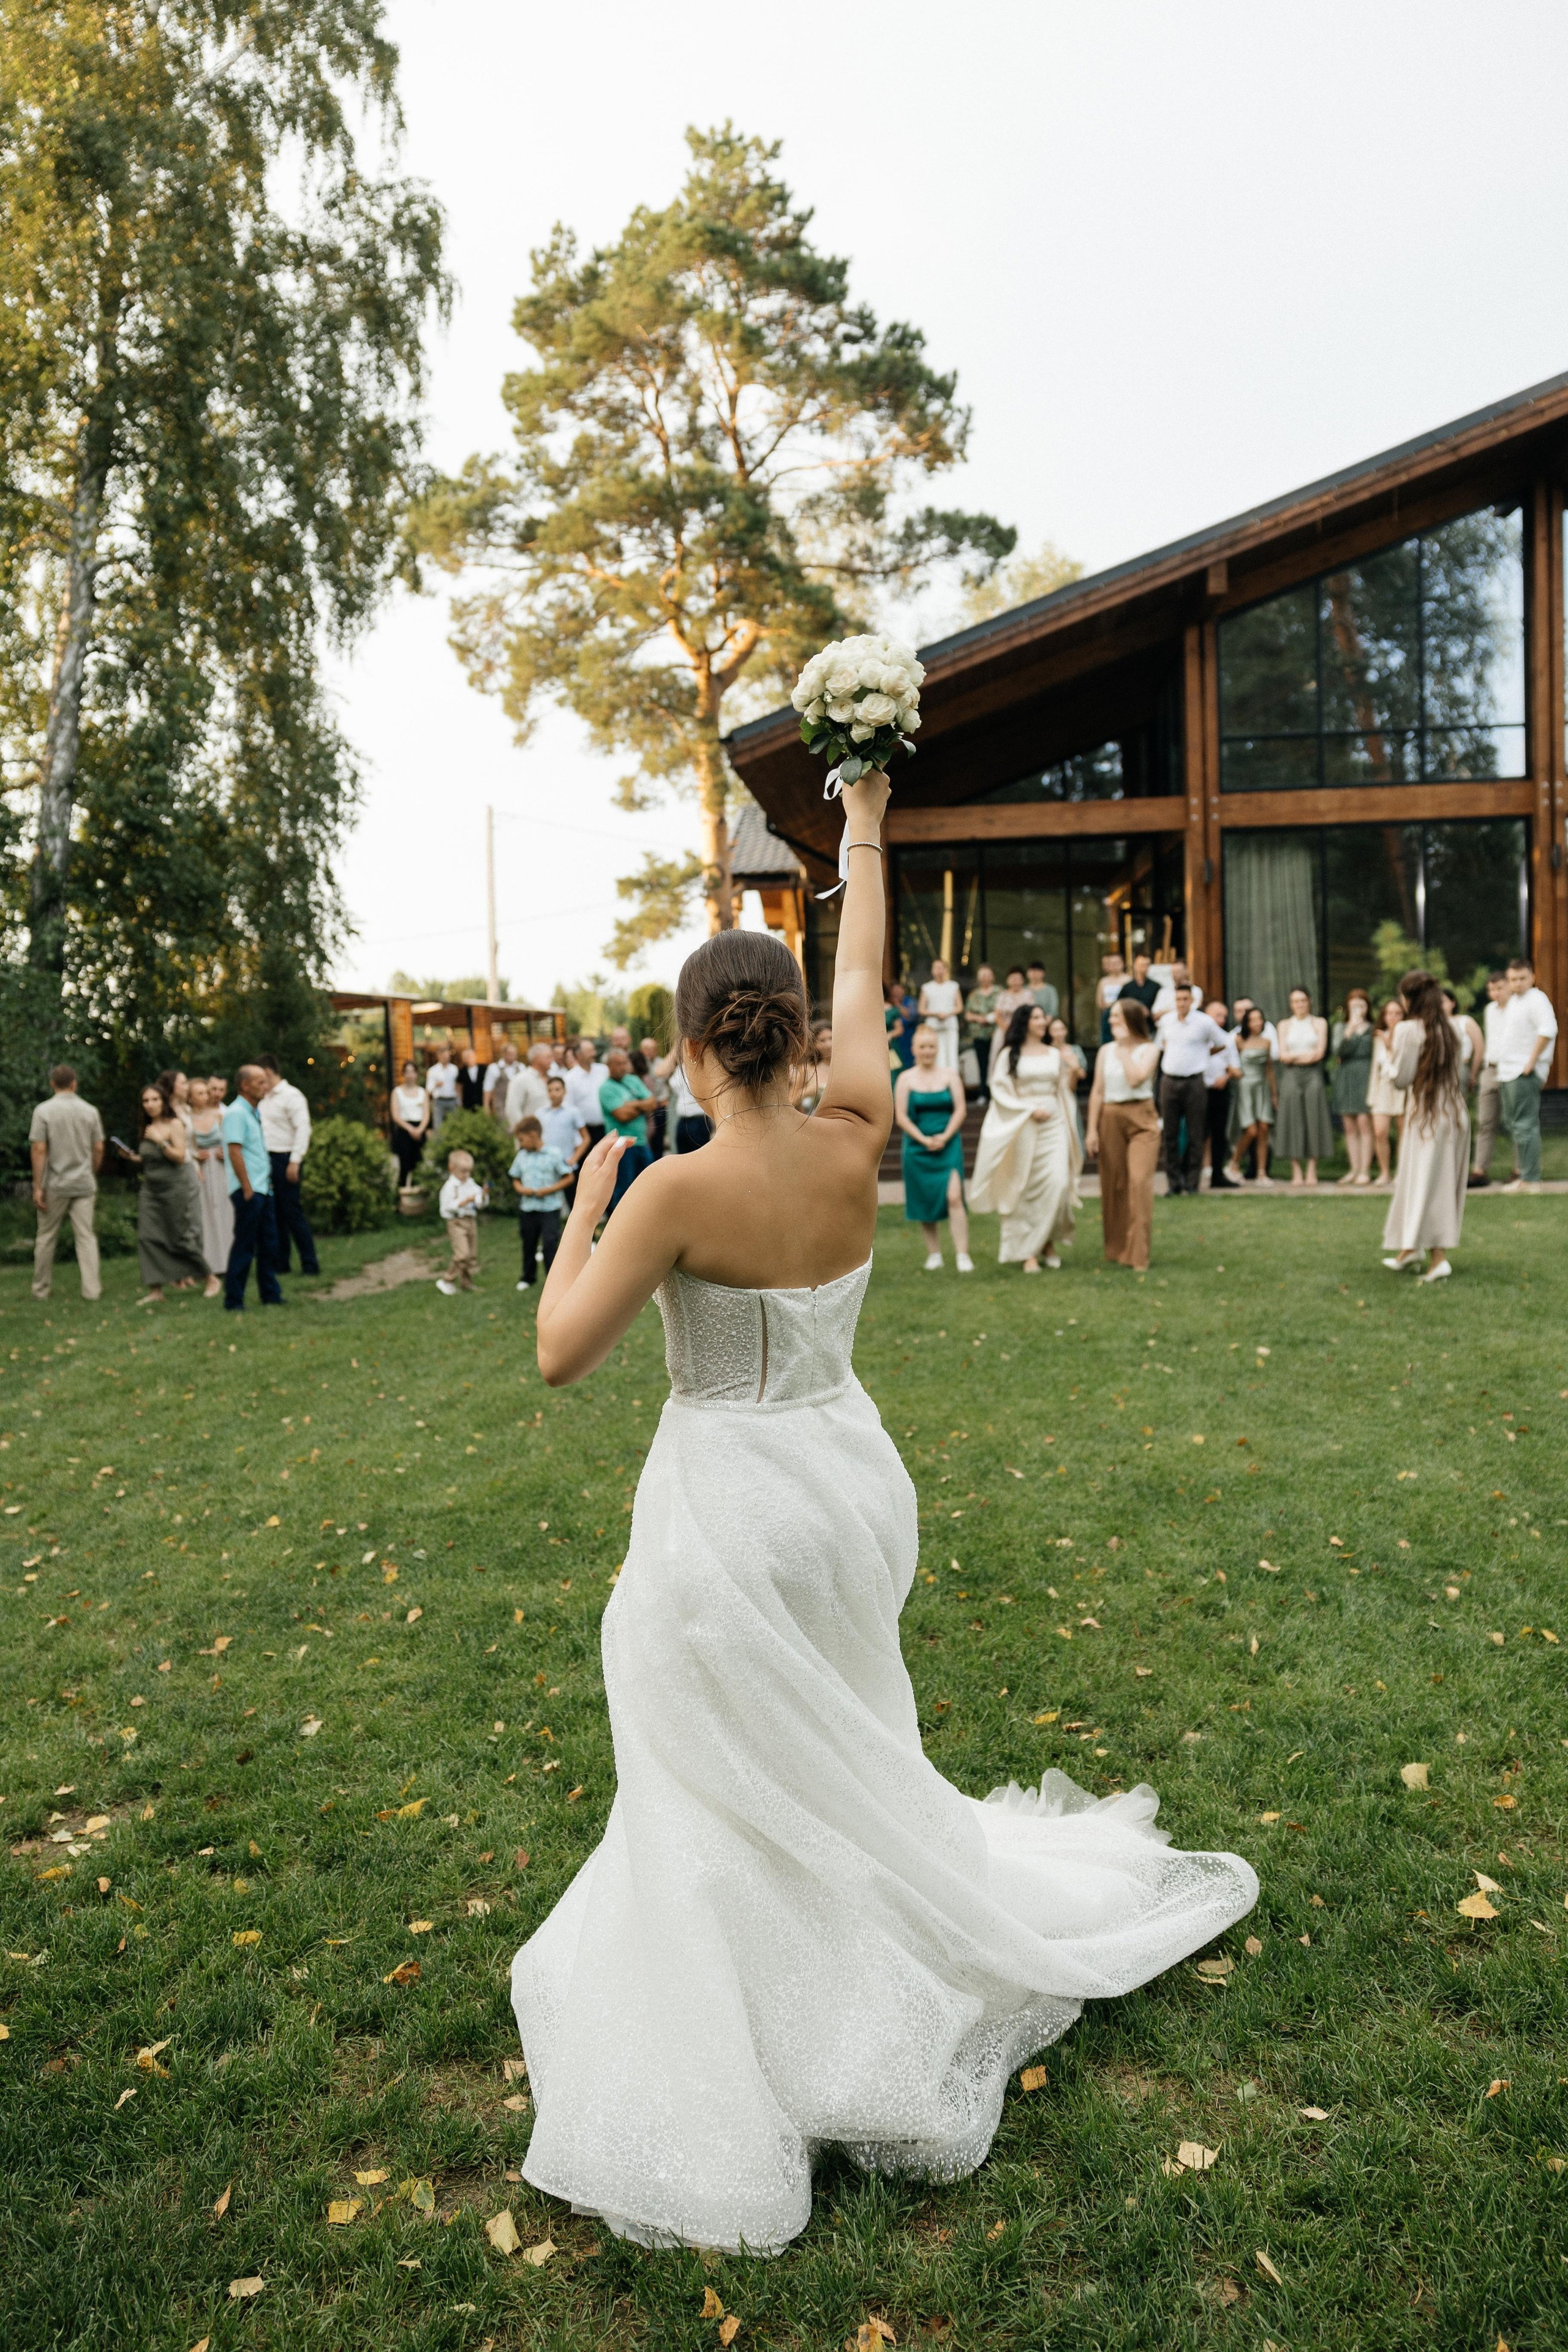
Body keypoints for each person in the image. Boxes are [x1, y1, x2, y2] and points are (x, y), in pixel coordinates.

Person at [511, 771, 1256, 2256]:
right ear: (796, 1038)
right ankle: (853, 1957)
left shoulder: (667, 1191)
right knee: (844, 1734)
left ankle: (783, 2009)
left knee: (718, 1770)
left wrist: (586, 1206)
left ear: (688, 1047)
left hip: (727, 1507)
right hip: (847, 1485)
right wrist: (859, 820)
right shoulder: (856, 1130)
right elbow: (861, 974)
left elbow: (558, 1353)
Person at [968, 1001, 1080, 1271]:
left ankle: (1047, 1240)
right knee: (1023, 1187)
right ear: (1025, 1023)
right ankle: (1029, 1251)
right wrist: (1028, 1110)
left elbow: (1064, 1089)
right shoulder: (1009, 1055)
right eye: (1037, 1018)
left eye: (1044, 1018)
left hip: (1054, 1125)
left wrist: (1074, 1071)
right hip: (1023, 1126)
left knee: (1058, 1183)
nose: (1043, 1022)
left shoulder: (1054, 1054)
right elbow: (1000, 1090)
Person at [1381, 968, 1469, 1282]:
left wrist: (1387, 1063)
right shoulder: (1453, 1029)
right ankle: (1410, 1248)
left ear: (1410, 999)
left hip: (1428, 1117)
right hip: (1454, 1114)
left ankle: (1438, 1258)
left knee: (1428, 1186)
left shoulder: (1407, 1030)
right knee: (1426, 1182)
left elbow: (1402, 1079)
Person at [1085, 999, 1161, 1271]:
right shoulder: (1105, 1051)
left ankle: (1138, 1255)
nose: (1111, 1021)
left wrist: (1124, 1048)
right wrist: (1091, 1130)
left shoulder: (1150, 1049)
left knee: (1139, 1182)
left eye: (1116, 1016)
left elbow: (1136, 1079)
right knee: (1114, 1183)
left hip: (1143, 1118)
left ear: (1130, 1019)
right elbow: (1097, 1091)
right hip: (1111, 1116)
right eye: (1111, 1016)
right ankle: (1116, 1249)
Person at [121, 1079, 209, 1302]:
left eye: (155, 1099)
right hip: (151, 1190)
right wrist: (133, 1158)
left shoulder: (174, 1124)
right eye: (146, 1101)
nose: (150, 1104)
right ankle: (156, 1290)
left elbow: (179, 1157)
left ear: (163, 1102)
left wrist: (161, 1142)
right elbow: (152, 1159)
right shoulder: (147, 1127)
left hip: (174, 1188)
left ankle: (209, 1277)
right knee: (147, 1237)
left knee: (179, 1237)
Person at [894, 1023, 972, 1272]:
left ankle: (962, 1255)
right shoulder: (905, 1078)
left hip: (948, 1144)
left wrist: (945, 1137)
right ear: (914, 1049)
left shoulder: (950, 1075)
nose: (927, 1051)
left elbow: (960, 1109)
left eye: (931, 1047)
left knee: (955, 1197)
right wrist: (924, 1140)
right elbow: (901, 1116)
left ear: (937, 1049)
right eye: (923, 1047)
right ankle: (934, 1254)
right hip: (917, 1147)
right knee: (924, 1199)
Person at [29, 1063, 104, 1304]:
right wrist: (91, 1172)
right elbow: (99, 1147)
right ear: (74, 1084)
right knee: (86, 1237)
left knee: (46, 1237)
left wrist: (38, 1186)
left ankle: (41, 1290)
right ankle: (92, 1291)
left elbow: (39, 1149)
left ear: (52, 1084)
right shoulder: (90, 1111)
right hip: (84, 1183)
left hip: (55, 1184)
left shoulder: (43, 1111)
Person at [1155, 984, 1229, 1195]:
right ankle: (1173, 1183)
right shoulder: (1167, 1021)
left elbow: (1223, 1042)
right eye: (1179, 999)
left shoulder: (1204, 1022)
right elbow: (1161, 1045)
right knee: (1170, 1134)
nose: (1182, 1003)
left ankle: (1192, 1182)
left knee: (1196, 1133)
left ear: (1192, 1001)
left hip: (1195, 1081)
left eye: (1185, 999)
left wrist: (1203, 1054)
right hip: (1170, 1080)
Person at [222, 1064, 282, 1310]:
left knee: (269, 1243)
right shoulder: (236, 1113)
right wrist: (247, 1188)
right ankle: (234, 1300)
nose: (265, 1086)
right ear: (245, 1086)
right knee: (245, 1245)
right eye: (260, 1082)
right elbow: (235, 1152)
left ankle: (271, 1294)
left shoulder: (253, 1112)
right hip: (249, 1191)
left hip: (263, 1188)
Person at [1495, 954, 1558, 1193]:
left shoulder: (1537, 999)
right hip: (1508, 1072)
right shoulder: (1514, 1002)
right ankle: (1524, 1177)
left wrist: (1531, 1063)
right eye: (1513, 979)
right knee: (1515, 1125)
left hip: (1524, 1072)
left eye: (1522, 978)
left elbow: (1548, 1030)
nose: (1518, 983)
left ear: (1532, 976)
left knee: (1525, 1125)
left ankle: (1531, 1180)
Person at [257, 1053, 318, 1276]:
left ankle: (310, 1263)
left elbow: (303, 1129)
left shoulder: (292, 1096)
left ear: (268, 1072)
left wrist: (295, 1160)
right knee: (276, 1214)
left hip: (286, 1158)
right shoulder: (263, 1099)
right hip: (267, 1159)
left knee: (293, 1213)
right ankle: (281, 1262)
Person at [1273, 987, 1333, 1185]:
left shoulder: (1319, 1023)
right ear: (1291, 1004)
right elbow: (1283, 1056)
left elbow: (1319, 1053)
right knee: (1292, 1118)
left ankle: (1312, 1170)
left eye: (1303, 1000)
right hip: (1291, 1076)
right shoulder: (1284, 1025)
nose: (1299, 1005)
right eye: (1295, 1001)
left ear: (1310, 1001)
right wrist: (1304, 1056)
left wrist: (1296, 1056)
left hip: (1313, 1074)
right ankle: (1296, 1170)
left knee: (1314, 1117)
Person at [510, 1115, 573, 1289]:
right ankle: (528, 1277)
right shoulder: (522, 1156)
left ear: (534, 1135)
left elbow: (569, 1177)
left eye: (522, 1140)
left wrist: (549, 1190)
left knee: (549, 1243)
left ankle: (553, 1280)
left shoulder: (554, 1154)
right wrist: (522, 1189)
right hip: (528, 1208)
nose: (521, 1144)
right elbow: (515, 1179)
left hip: (550, 1208)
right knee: (529, 1243)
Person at [1223, 1007, 1277, 1185]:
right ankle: (1234, 1163)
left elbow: (1269, 1070)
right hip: (1246, 1087)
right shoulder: (1238, 1041)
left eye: (1259, 1019)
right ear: (1247, 1023)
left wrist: (1274, 1094)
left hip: (1262, 1087)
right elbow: (1229, 1062)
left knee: (1264, 1128)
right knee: (1251, 1130)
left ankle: (1262, 1173)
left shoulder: (1267, 1042)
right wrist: (1234, 1072)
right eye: (1253, 1020)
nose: (1257, 1023)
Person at [188, 1079, 232, 1292]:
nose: (206, 1096)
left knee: (225, 1212)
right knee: (204, 1215)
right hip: (201, 1171)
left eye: (206, 1092)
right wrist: (195, 1155)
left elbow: (231, 1141)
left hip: (221, 1168)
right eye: (200, 1093)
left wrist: (226, 1153)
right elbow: (185, 1146)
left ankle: (229, 1261)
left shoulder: (219, 1116)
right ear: (190, 1098)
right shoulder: (186, 1120)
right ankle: (208, 1265)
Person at [1468, 971, 1510, 1188]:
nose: (1495, 993)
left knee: (1514, 1122)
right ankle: (1480, 1170)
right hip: (1490, 1069)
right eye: (1492, 989)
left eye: (1499, 988)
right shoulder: (1490, 1010)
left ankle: (1521, 1170)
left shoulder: (1518, 1009)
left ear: (1508, 987)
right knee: (1485, 1122)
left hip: (1512, 1070)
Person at [598, 1046, 652, 1214]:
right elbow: (622, 1115)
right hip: (621, 1146)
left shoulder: (633, 1080)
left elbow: (652, 1103)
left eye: (625, 1063)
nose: (623, 1067)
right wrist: (642, 1106)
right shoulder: (606, 1088)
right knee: (624, 1189)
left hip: (642, 1142)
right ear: (609, 1066)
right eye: (619, 1064)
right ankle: (619, 1223)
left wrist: (633, 1105)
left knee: (648, 1186)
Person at [1330, 989, 1375, 1186]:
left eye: (1361, 1005)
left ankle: (1365, 1170)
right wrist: (1350, 1031)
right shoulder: (1340, 1027)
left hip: (1365, 1075)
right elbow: (1338, 1051)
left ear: (1367, 1007)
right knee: (1349, 1126)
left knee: (1364, 1122)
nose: (1358, 1009)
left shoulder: (1373, 1028)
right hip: (1346, 1076)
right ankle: (1354, 1169)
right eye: (1354, 1005)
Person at [1366, 998, 1409, 1187]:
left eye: (1397, 1013)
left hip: (1402, 1086)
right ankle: (1384, 1172)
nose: (1393, 1017)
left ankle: (1402, 1173)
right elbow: (1375, 1067)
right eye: (1389, 1013)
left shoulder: (1408, 1035)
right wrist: (1372, 1094)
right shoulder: (1378, 1037)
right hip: (1383, 1086)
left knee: (1403, 1133)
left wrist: (1390, 1042)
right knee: (1380, 1132)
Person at [436, 1147, 486, 1295]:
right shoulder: (449, 1187)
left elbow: (479, 1202)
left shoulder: (470, 1183)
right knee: (462, 1254)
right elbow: (447, 1207)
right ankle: (447, 1280)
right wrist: (465, 1201)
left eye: (469, 1171)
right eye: (463, 1172)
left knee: (471, 1256)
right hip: (456, 1222)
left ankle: (466, 1284)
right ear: (451, 1169)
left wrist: (483, 1195)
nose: (467, 1175)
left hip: (470, 1221)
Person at [1201, 1001, 1240, 1188]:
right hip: (1199, 1091)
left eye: (1224, 1016)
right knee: (1198, 1133)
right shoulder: (1198, 1038)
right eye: (1218, 1015)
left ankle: (1217, 1175)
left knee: (1219, 1134)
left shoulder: (1227, 1039)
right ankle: (1189, 1175)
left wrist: (1226, 1077)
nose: (1222, 1020)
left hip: (1220, 1092)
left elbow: (1236, 1067)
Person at [1047, 1015, 1087, 1151]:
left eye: (1062, 1029)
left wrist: (1073, 1066)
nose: (1059, 1033)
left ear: (1066, 1031)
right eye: (1055, 1030)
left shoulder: (1075, 1049)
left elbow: (1082, 1073)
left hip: (1070, 1090)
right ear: (1050, 1032)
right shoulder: (1047, 1051)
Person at [564, 1037, 609, 1154]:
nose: (594, 1054)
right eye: (589, 1051)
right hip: (585, 1133)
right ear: (578, 1055)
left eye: (593, 1050)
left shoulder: (603, 1070)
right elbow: (569, 1107)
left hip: (607, 1128)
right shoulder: (570, 1078)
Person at [390, 1058, 431, 1186]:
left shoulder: (423, 1092)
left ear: (416, 1074)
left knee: (418, 1167)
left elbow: (426, 1115)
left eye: (412, 1072)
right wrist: (410, 1129)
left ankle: (416, 1193)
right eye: (407, 1072)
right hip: (404, 1131)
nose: (410, 1075)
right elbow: (396, 1116)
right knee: (404, 1167)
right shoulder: (397, 1092)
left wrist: (420, 1130)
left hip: (419, 1131)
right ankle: (401, 1193)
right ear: (403, 1074)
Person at [918, 956, 963, 1070]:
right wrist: (936, 1014)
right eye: (936, 968)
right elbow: (921, 1009)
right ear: (932, 970)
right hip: (933, 1027)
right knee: (937, 1056)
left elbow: (960, 1007)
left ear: (946, 970)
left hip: (950, 1026)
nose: (939, 970)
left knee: (952, 1055)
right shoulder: (927, 987)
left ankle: (952, 1078)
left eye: (942, 968)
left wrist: (947, 1014)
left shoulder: (954, 986)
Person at [540, 1072, 588, 1179]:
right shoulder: (540, 1113)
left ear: (564, 1091)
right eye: (550, 1090)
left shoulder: (573, 1112)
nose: (553, 1094)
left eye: (557, 1090)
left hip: (566, 1164)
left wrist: (574, 1158)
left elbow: (586, 1138)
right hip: (546, 1166)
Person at [962, 965, 1000, 1091]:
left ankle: (997, 1090)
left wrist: (992, 1017)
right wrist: (979, 1019)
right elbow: (967, 1015)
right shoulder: (974, 995)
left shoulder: (999, 992)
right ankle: (983, 1092)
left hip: (996, 1034)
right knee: (982, 1064)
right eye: (982, 976)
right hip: (979, 1035)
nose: (985, 978)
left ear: (993, 977)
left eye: (987, 975)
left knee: (997, 1063)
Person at [987, 965, 1029, 1078]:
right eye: (1013, 979)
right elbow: (997, 1015)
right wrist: (1008, 1029)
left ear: (1023, 980)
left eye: (1018, 979)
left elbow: (1030, 1014)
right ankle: (996, 1079)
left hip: (1022, 1031)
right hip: (1004, 1030)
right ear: (1008, 980)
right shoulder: (1003, 995)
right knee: (998, 1054)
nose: (1016, 982)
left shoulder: (1028, 995)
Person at [638, 1037, 670, 1159]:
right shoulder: (639, 1065)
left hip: (660, 1106)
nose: (650, 1051)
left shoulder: (663, 1063)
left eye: (653, 1048)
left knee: (659, 1139)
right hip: (645, 1109)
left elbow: (670, 1083)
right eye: (647, 1048)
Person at [792, 1023, 834, 1113]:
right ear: (814, 1045)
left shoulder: (846, 1068)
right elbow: (791, 1101)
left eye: (831, 1038)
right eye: (822, 1041)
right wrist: (807, 1092)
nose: (828, 1045)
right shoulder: (806, 1070)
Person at [484, 1038, 523, 1121]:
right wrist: (486, 1107)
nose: (513, 1056)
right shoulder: (494, 1068)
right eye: (510, 1054)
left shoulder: (521, 1067)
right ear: (503, 1054)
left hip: (519, 1105)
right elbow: (488, 1088)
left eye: (515, 1054)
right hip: (501, 1106)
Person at [426, 1042, 460, 1131]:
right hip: (439, 1102)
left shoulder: (454, 1069)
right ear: (439, 1056)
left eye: (448, 1056)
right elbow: (428, 1089)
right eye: (444, 1056)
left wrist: (459, 1101)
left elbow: (458, 1087)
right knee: (438, 1127)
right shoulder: (433, 1071)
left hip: (452, 1101)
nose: (446, 1058)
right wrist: (436, 1085)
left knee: (455, 1126)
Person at [1117, 952, 1159, 1016]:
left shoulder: (1156, 987)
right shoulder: (1127, 988)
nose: (1144, 968)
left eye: (1146, 965)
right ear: (1135, 966)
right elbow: (1119, 1005)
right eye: (1141, 965)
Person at [1097, 952, 1126, 1043]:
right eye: (1112, 963)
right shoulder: (1103, 981)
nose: (1115, 966)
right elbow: (1099, 1002)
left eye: (1117, 963)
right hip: (1108, 1014)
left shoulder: (1128, 980)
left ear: (1123, 963)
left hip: (1124, 1014)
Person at [1022, 959, 1059, 1023]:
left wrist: (1043, 1023)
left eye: (1038, 971)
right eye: (1032, 971)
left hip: (1046, 1023)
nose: (1035, 973)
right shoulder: (1023, 989)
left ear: (1044, 973)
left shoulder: (1050, 990)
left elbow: (1053, 1010)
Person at [457, 1044, 486, 1113]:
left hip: (482, 1100)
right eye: (467, 1057)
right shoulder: (462, 1071)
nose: (470, 1059)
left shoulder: (483, 1069)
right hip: (468, 1103)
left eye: (471, 1057)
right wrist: (460, 1102)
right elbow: (459, 1087)